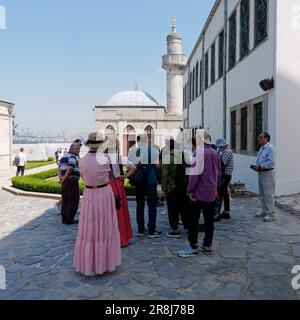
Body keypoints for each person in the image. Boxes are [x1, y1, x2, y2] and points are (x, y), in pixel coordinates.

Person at [74, 132, 121, 276]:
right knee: (105, 227)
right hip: (104, 194)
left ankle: (90, 264)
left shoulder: (81, 160)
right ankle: (105, 264)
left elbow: (83, 178)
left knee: (89, 229)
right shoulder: (106, 159)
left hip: (89, 194)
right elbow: (114, 176)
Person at [178, 132, 221, 257]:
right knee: (209, 220)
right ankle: (207, 244)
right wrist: (215, 188)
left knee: (193, 220)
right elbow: (218, 174)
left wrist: (190, 190)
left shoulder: (199, 152)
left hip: (198, 193)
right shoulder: (215, 153)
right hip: (211, 192)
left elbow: (194, 174)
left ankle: (193, 245)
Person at [104, 136, 136, 248]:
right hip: (117, 185)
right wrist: (125, 176)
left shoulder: (102, 157)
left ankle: (108, 240)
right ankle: (122, 239)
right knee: (120, 213)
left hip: (106, 186)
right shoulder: (118, 157)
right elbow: (133, 167)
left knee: (107, 214)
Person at [128, 134, 162, 238]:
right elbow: (157, 166)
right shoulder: (153, 151)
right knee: (152, 206)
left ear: (138, 141)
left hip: (139, 182)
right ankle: (152, 230)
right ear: (147, 141)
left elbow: (130, 165)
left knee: (140, 206)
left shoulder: (133, 151)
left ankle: (140, 230)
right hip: (151, 181)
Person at [162, 138, 188, 238]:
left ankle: (174, 229)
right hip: (183, 185)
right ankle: (188, 227)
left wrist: (164, 189)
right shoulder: (183, 155)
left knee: (173, 209)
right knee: (184, 207)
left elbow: (165, 175)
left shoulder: (167, 157)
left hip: (172, 186)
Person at [252, 132, 276, 222]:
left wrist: (261, 166)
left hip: (267, 173)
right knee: (262, 193)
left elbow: (271, 162)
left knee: (268, 194)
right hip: (261, 172)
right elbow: (262, 160)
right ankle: (265, 211)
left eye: (260, 137)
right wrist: (256, 166)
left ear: (266, 139)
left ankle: (271, 214)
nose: (259, 139)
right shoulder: (262, 148)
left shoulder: (270, 148)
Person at [59, 143, 81, 224]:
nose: (79, 151)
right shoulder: (72, 156)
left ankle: (64, 218)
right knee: (73, 200)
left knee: (65, 200)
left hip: (64, 182)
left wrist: (61, 178)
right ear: (72, 149)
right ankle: (69, 219)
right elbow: (70, 167)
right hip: (72, 181)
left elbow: (59, 168)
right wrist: (65, 177)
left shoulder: (64, 157)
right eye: (77, 149)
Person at [214, 138, 234, 221]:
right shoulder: (222, 151)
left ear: (224, 145)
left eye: (220, 147)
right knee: (225, 194)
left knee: (220, 193)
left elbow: (222, 163)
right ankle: (226, 212)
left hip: (225, 175)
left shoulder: (227, 151)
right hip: (224, 175)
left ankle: (217, 213)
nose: (219, 148)